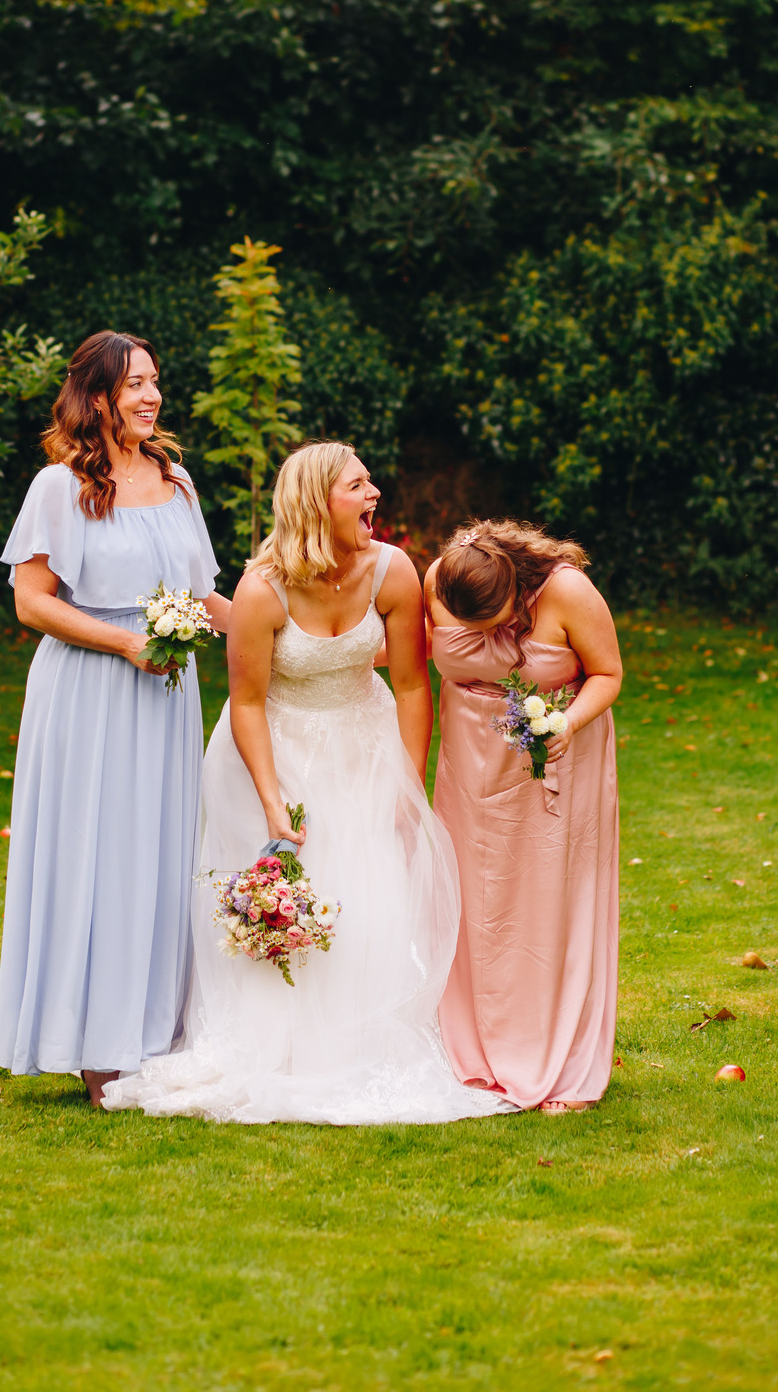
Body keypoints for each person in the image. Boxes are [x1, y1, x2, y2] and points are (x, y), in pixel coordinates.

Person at [102, 442, 510, 1124]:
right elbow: (247, 703)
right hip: (271, 750)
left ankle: (359, 1044)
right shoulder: (263, 589)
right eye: (358, 485)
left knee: (370, 885)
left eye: (370, 482)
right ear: (319, 502)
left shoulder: (393, 572)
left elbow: (413, 685)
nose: (374, 493)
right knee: (291, 886)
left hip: (363, 744)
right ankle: (275, 1045)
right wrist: (271, 800)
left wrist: (405, 785)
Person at [0, 331, 229, 1105]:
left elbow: (203, 596)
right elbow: (31, 603)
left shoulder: (177, 481)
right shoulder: (58, 486)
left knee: (160, 853)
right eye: (134, 383)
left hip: (166, 698)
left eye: (154, 381)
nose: (151, 396)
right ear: (96, 396)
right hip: (87, 692)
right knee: (94, 855)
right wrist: (127, 642)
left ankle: (153, 1033)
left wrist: (291, 642)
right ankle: (92, 1044)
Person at [425, 520, 622, 1114]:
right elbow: (411, 647)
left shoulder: (568, 591)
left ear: (516, 588)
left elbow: (608, 674)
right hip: (468, 768)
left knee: (545, 903)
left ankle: (552, 1057)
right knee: (472, 902)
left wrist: (567, 723)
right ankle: (468, 1046)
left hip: (554, 764)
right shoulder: (441, 577)